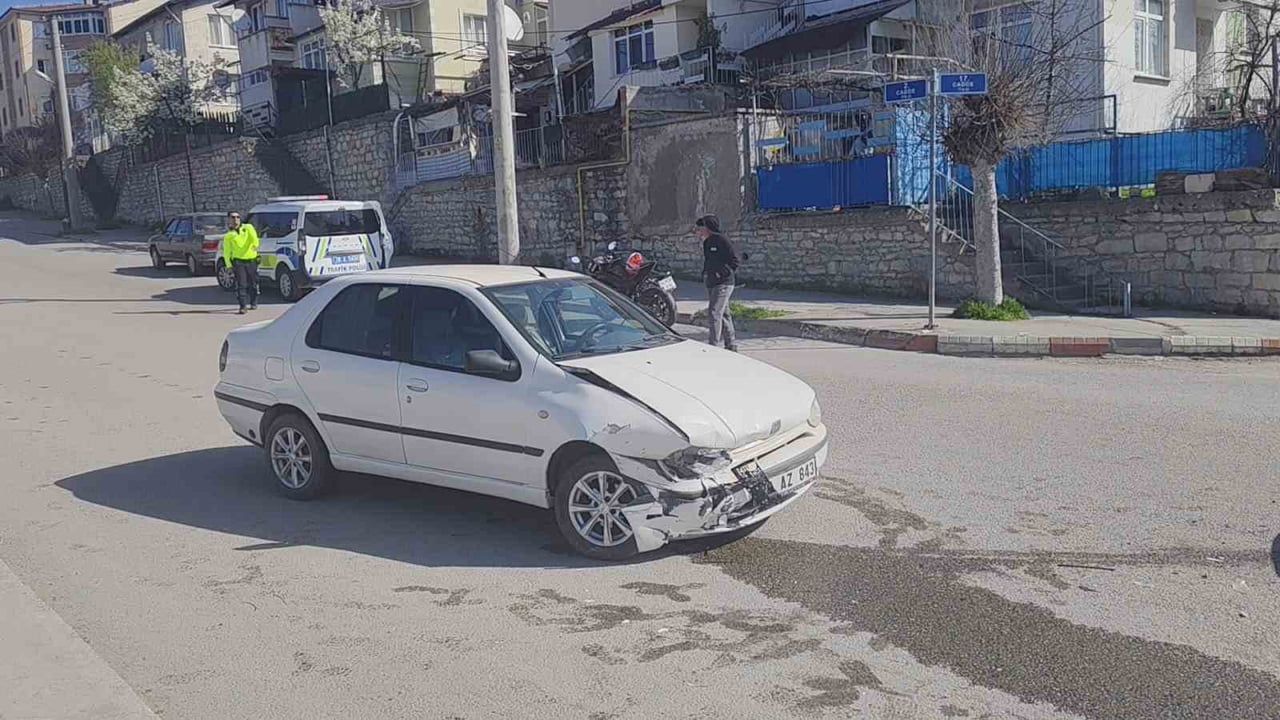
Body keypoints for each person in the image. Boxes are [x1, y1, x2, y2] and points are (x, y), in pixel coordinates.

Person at [695, 214, 739, 351]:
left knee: (714, 312)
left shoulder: (722, 240)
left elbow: (734, 261)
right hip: (712, 281)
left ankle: (713, 346)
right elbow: (709, 260)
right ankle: (731, 344)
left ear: (708, 227)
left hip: (724, 282)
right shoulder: (707, 242)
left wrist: (723, 272)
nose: (699, 230)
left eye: (701, 227)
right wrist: (706, 273)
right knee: (724, 313)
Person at [222, 211, 260, 314]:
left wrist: (255, 245)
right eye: (233, 217)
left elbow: (255, 239)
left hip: (251, 260)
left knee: (253, 283)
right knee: (241, 284)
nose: (236, 219)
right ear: (229, 219)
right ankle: (243, 306)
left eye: (238, 217)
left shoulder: (248, 228)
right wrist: (228, 265)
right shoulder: (229, 236)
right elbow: (226, 252)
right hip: (239, 262)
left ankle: (253, 302)